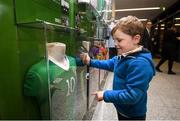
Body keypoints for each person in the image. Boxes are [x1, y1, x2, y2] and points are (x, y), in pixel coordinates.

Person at [80, 16, 155, 120]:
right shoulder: (126, 54)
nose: (115, 44)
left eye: (119, 40)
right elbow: (110, 64)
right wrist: (90, 61)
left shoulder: (140, 64)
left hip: (132, 114)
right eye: (114, 40)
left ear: (136, 39)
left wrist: (106, 95)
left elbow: (132, 95)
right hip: (123, 108)